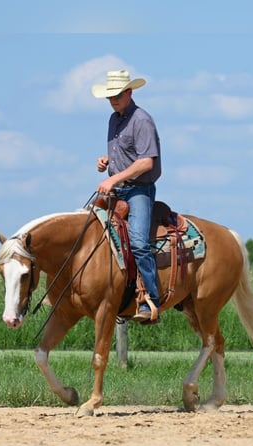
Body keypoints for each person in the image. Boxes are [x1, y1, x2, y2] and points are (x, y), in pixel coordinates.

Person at [92, 70, 162, 324]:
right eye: (110, 96)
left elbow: (145, 162)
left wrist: (113, 178)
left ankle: (150, 299)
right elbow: (128, 152)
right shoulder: (114, 119)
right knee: (87, 228)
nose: (113, 100)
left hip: (139, 190)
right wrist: (108, 160)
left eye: (117, 95)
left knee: (139, 243)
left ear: (130, 93)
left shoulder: (142, 120)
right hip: (118, 188)